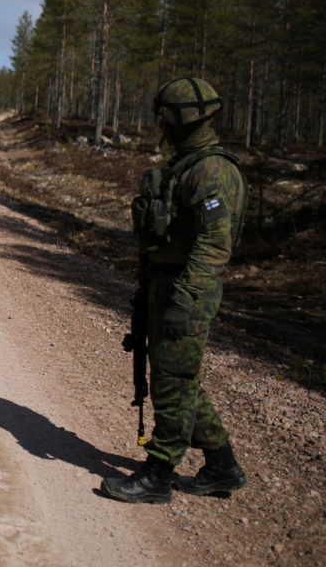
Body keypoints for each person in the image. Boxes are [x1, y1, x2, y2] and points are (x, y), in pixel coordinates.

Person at [102, 77, 249, 504]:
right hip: (166, 284)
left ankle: (158, 474)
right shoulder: (187, 166)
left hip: (188, 290)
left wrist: (183, 299)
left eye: (164, 118)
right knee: (179, 380)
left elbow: (215, 244)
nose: (161, 126)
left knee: (171, 385)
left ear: (177, 120)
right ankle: (222, 466)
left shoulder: (212, 171)